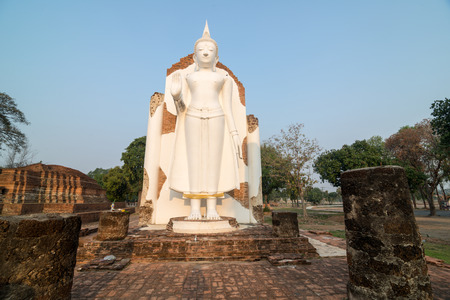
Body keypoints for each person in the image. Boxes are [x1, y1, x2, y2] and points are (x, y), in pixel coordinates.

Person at [168, 22, 242, 220]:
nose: (206, 53)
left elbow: (227, 107)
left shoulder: (224, 77)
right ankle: (194, 208)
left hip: (217, 116)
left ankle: (211, 208)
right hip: (192, 115)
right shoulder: (188, 76)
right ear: (194, 56)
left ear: (217, 57)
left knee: (213, 162)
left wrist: (234, 134)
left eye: (210, 50)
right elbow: (181, 109)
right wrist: (176, 97)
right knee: (194, 162)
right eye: (201, 50)